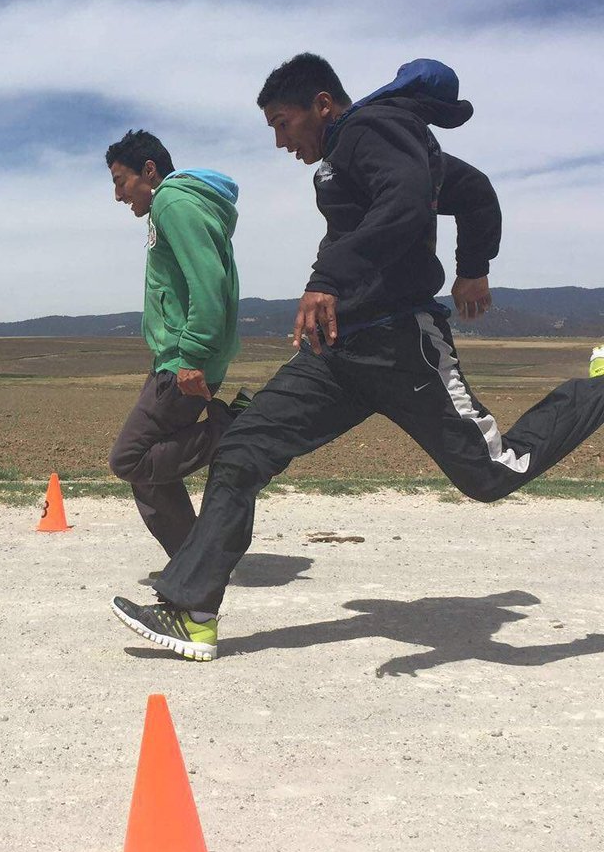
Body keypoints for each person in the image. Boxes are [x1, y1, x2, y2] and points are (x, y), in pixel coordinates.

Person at [111, 55, 604, 661]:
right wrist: (461, 268)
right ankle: (191, 610)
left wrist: (352, 276)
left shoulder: (372, 131)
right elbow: (465, 191)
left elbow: (408, 198)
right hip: (338, 352)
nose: (280, 141)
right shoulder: (348, 156)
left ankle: (597, 390)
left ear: (322, 104)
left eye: (283, 123)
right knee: (241, 451)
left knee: (491, 473)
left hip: (401, 345)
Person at [106, 129, 250, 560]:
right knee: (150, 473)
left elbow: (208, 282)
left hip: (185, 361)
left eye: (120, 181)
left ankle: (231, 429)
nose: (118, 195)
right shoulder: (172, 205)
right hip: (177, 357)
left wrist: (190, 355)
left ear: (148, 171)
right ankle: (192, 559)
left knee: (129, 459)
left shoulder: (172, 201)